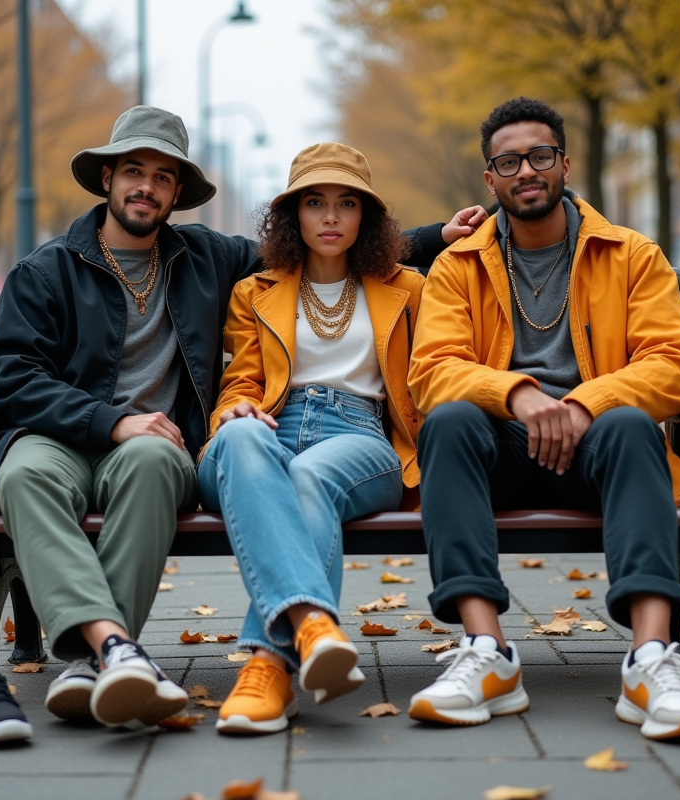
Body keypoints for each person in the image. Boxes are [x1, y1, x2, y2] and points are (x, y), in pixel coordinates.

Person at [0, 105, 486, 747]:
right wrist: (117, 420)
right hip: (66, 435)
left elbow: (330, 247)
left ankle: (250, 655)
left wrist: (435, 236)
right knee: (31, 472)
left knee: (169, 464)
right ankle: (109, 649)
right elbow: (8, 375)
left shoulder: (204, 257)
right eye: (132, 171)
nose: (145, 186)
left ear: (178, 193)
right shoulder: (46, 271)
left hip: (182, 443)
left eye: (161, 176)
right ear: (107, 179)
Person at [406, 98, 680, 740]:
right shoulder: (457, 266)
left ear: (565, 165)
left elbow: (677, 365)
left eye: (540, 156)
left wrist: (584, 403)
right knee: (448, 422)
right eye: (509, 160)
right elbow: (433, 369)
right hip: (500, 451)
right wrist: (519, 395)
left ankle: (652, 658)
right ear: (489, 179)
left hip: (596, 447)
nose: (526, 170)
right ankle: (488, 655)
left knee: (631, 425)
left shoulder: (630, 255)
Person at [198, 143, 423, 736]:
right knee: (244, 436)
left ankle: (268, 663)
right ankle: (312, 625)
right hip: (268, 429)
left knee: (310, 477)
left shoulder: (408, 288)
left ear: (364, 217)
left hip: (360, 436)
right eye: (315, 203)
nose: (329, 217)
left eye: (346, 203)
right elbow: (241, 379)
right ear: (293, 215)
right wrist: (234, 407)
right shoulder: (255, 292)